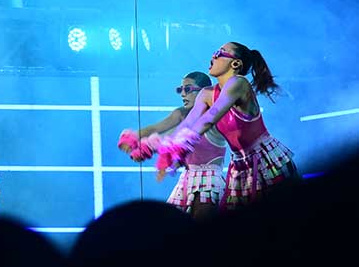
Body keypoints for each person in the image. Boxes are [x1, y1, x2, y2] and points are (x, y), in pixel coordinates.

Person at [138, 43, 296, 209]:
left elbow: (210, 118)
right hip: (239, 166)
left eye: (221, 52)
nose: (214, 55)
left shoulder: (239, 83)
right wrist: (155, 146)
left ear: (235, 63)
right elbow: (187, 124)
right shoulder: (206, 93)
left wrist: (179, 144)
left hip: (265, 158)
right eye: (215, 51)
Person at [118, 71, 226, 219]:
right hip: (187, 177)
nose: (183, 94)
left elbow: (175, 137)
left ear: (203, 92)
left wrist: (147, 147)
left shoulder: (214, 116)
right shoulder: (181, 114)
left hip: (209, 179)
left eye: (187, 89)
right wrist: (134, 137)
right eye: (180, 90)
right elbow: (157, 128)